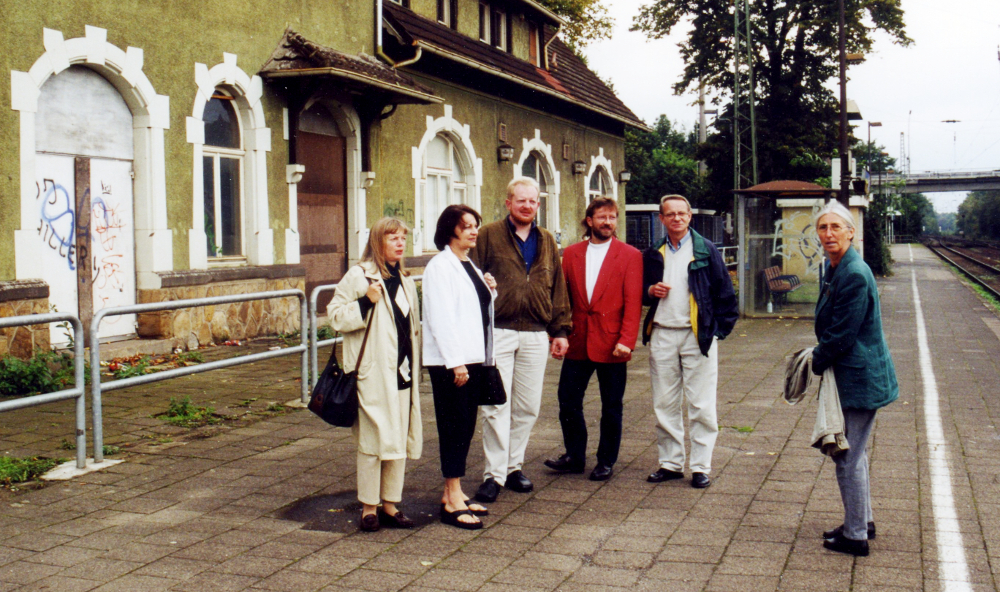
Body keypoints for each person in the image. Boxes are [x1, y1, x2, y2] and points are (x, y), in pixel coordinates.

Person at [471, 176, 572, 502]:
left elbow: (557, 287)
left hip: (535, 333)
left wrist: (560, 330)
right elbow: (470, 278)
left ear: (538, 205)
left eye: (533, 201)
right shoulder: (488, 236)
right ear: (508, 203)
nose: (527, 205)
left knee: (527, 406)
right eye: (521, 200)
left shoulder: (546, 241)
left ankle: (514, 467)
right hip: (498, 330)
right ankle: (493, 475)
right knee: (495, 404)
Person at [812, 201, 897, 557]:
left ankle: (856, 535)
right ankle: (863, 520)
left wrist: (814, 360)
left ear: (850, 231)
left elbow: (843, 334)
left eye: (835, 227)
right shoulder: (836, 267)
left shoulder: (854, 274)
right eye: (822, 227)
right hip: (853, 373)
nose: (828, 233)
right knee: (855, 454)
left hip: (859, 378)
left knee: (846, 455)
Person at [327, 217, 421, 532]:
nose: (400, 243)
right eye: (393, 238)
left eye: (403, 238)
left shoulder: (406, 279)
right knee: (372, 440)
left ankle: (391, 505)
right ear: (377, 241)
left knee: (397, 437)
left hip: (402, 372)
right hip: (371, 372)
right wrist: (365, 302)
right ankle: (369, 506)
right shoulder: (359, 275)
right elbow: (335, 316)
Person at [642, 194, 737, 489]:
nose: (677, 218)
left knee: (701, 404)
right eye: (670, 214)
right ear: (661, 219)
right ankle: (670, 464)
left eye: (682, 213)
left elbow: (725, 292)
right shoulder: (653, 252)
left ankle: (700, 466)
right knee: (665, 403)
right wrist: (649, 290)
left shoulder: (706, 250)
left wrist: (718, 331)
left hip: (698, 336)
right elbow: (639, 290)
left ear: (689, 216)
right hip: (662, 333)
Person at [544, 198, 642, 481]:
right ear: (589, 221)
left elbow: (633, 302)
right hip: (578, 341)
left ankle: (606, 460)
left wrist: (627, 339)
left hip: (613, 344)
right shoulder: (572, 253)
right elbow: (562, 298)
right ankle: (575, 455)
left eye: (612, 217)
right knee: (568, 400)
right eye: (602, 217)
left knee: (611, 406)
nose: (608, 222)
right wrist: (558, 333)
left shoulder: (629, 254)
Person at [423, 204, 498, 530]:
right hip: (453, 363)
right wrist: (456, 364)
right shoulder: (440, 266)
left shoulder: (467, 264)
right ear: (450, 229)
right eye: (466, 225)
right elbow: (440, 318)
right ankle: (451, 501)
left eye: (475, 225)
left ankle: (453, 491)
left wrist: (490, 290)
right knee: (453, 426)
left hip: (473, 358)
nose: (473, 230)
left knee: (465, 426)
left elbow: (474, 310)